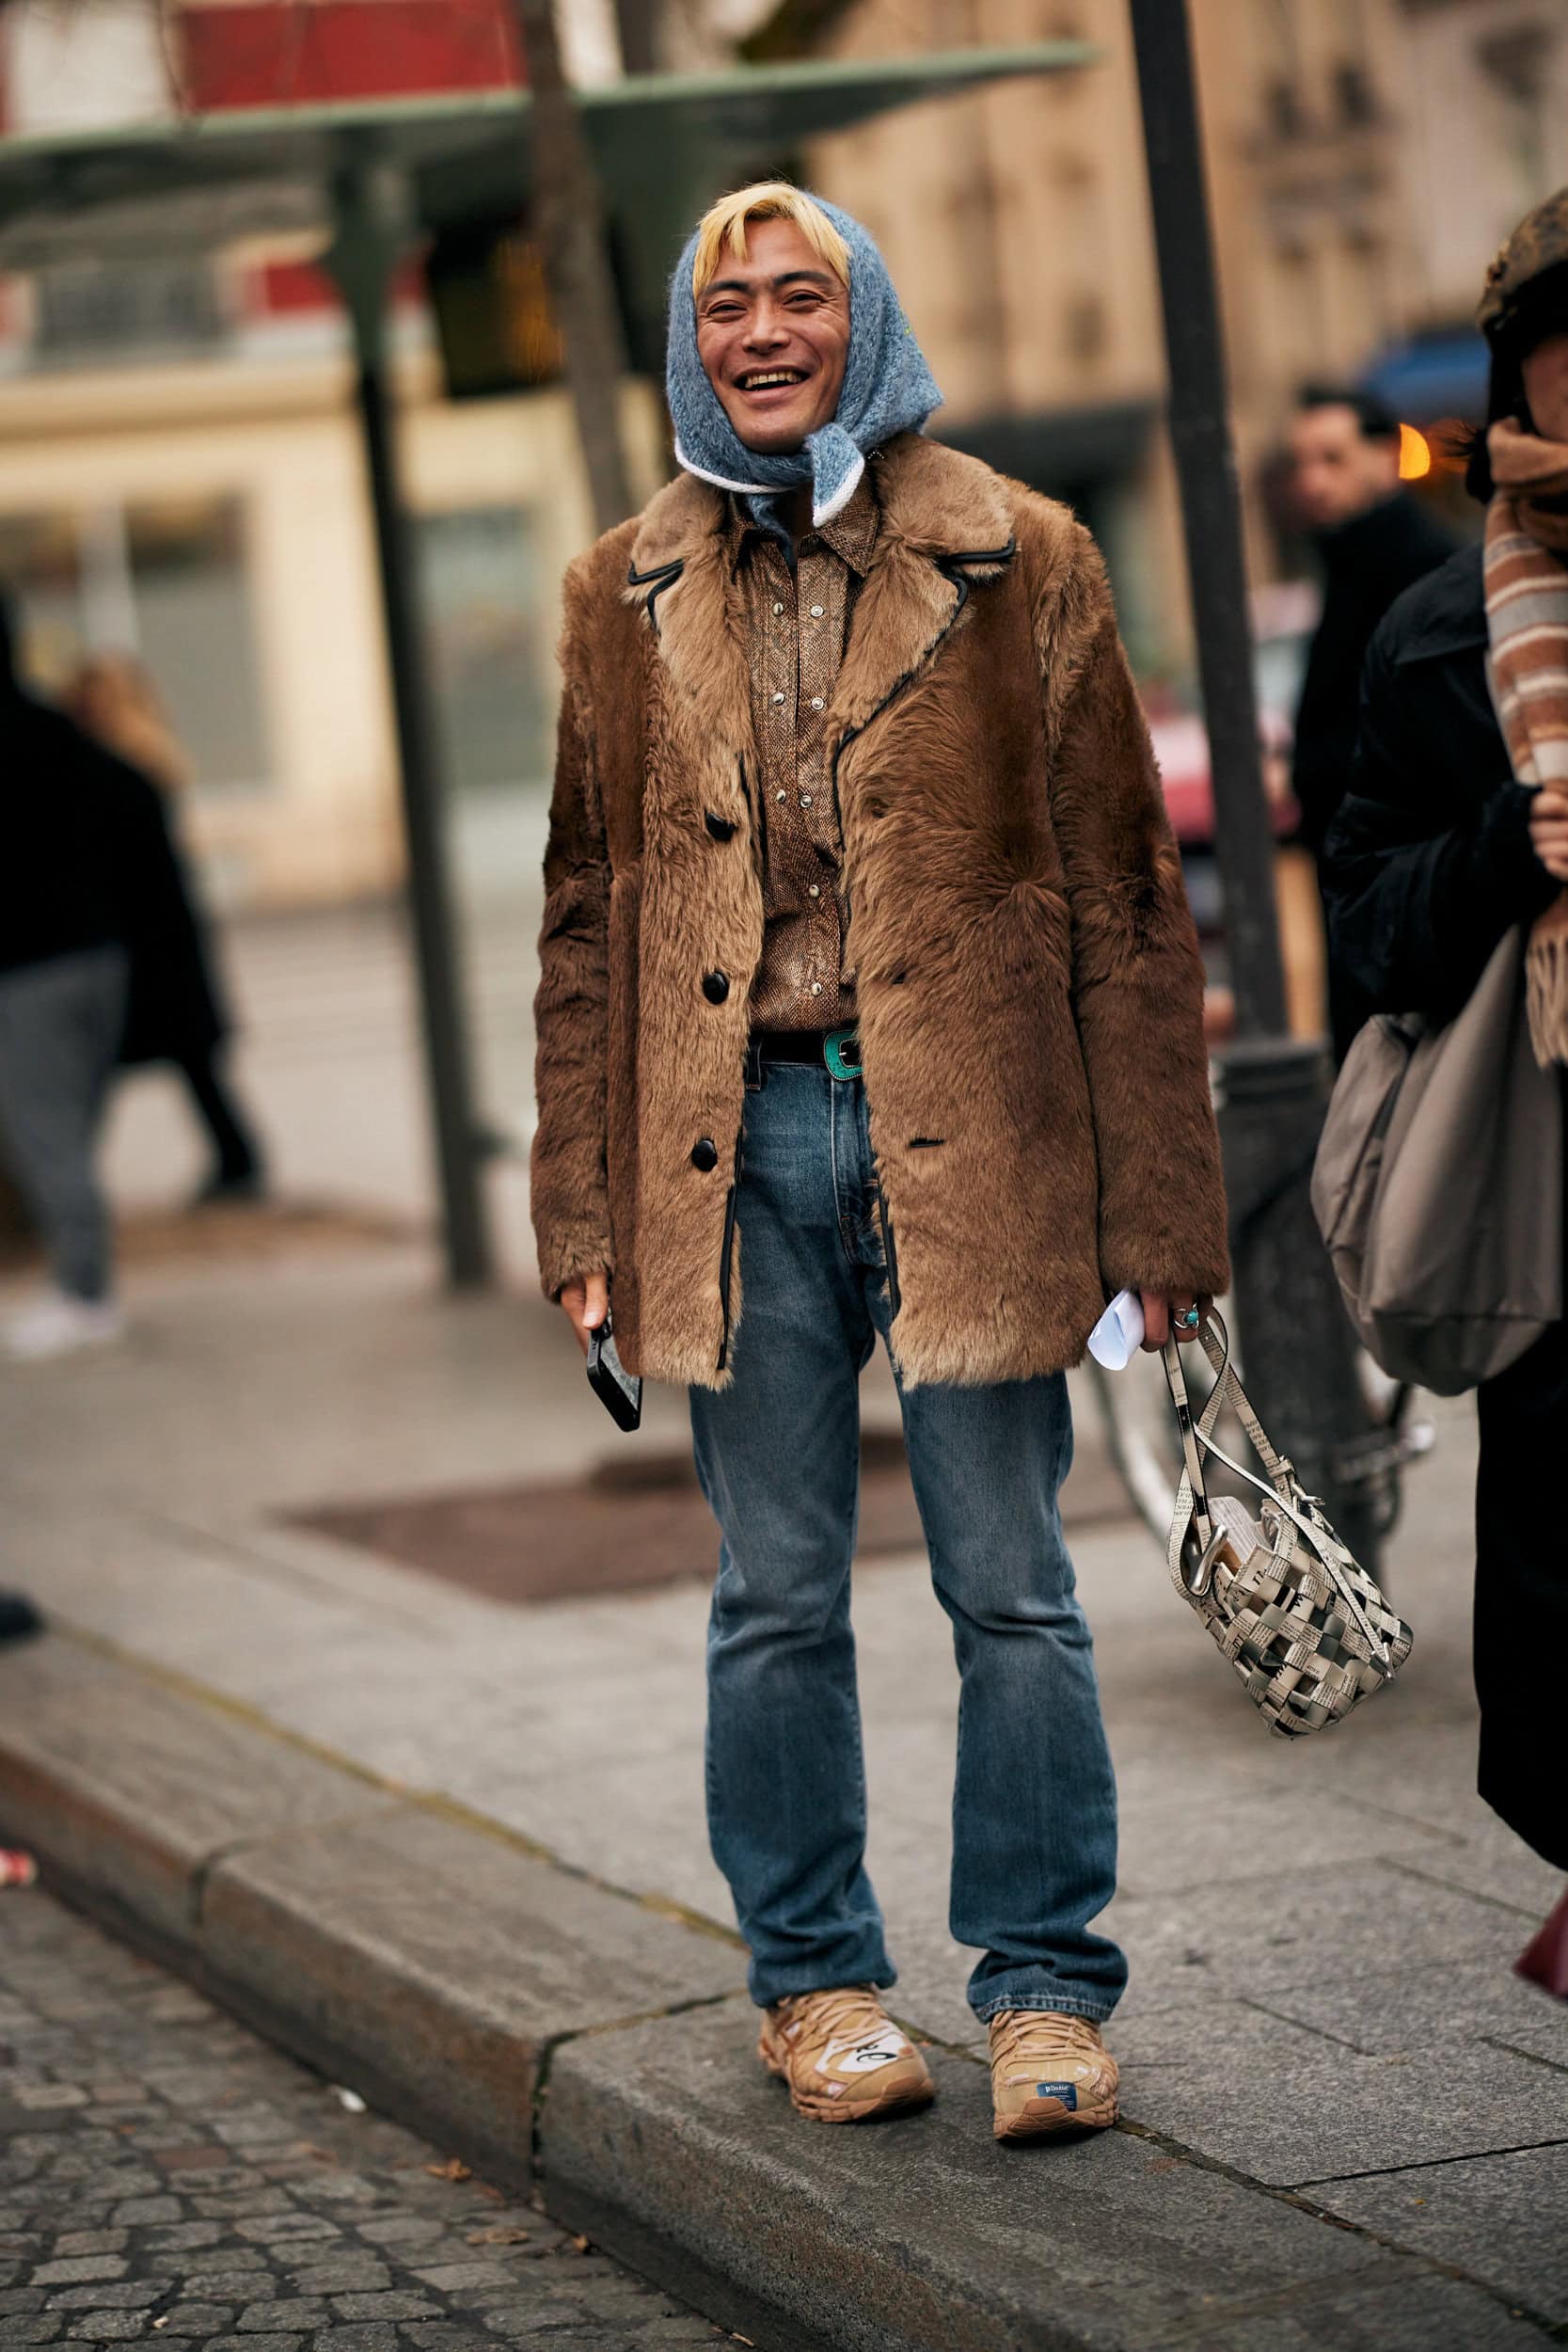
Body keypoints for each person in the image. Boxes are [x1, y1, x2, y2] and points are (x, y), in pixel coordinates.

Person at [531, 184, 1228, 2141]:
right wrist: (578, 1218)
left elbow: (1119, 908)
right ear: (688, 341)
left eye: (799, 298)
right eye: (723, 303)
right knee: (772, 1592)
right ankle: (816, 1982)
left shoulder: (1025, 558)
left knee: (1011, 1584)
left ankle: (1036, 1989)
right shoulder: (617, 591)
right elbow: (588, 913)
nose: (760, 331)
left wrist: (1161, 1211)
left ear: (865, 320)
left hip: (978, 1130)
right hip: (729, 1144)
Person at [1324, 188, 1568, 1915]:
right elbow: (1371, 939)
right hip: (1555, 1236)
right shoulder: (1433, 641)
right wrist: (1509, 841)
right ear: (1518, 398)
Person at [1289, 386, 1458, 1059]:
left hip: (1400, 899)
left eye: (1331, 458)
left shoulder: (1415, 571)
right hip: (1363, 890)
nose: (1312, 481)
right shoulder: (1348, 565)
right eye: (1301, 462)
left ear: (1385, 457)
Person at [68, 652, 266, 1206]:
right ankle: (235, 1158)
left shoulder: (130, 765)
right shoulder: (133, 761)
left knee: (115, 1061)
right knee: (170, 1060)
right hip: (151, 938)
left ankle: (66, 1173)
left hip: (148, 940)